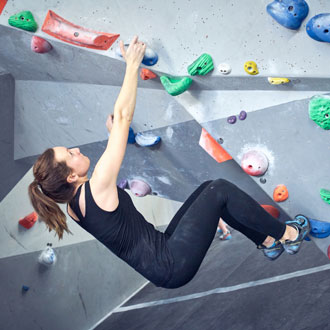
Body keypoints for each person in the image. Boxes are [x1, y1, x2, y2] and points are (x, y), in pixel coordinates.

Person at [28, 36, 310, 289]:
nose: (76, 150)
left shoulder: (76, 206)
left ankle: (267, 242)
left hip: (163, 256)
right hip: (172, 262)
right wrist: (132, 66)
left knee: (208, 189)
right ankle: (287, 234)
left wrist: (114, 134)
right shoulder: (97, 187)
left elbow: (109, 160)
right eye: (70, 154)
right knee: (220, 190)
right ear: (70, 177)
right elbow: (124, 116)